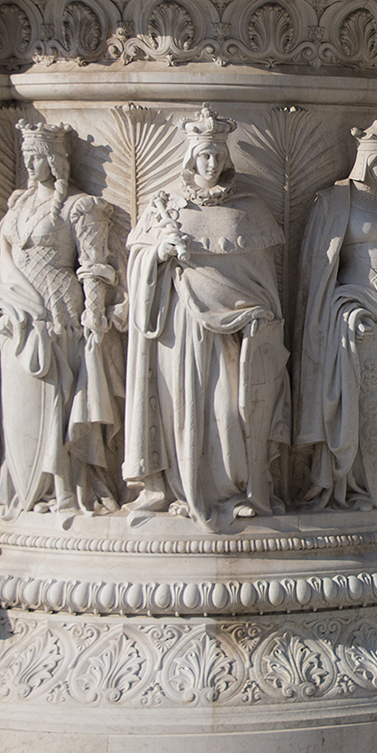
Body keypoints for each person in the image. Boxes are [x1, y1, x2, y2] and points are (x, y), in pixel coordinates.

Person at [123, 106, 290, 527]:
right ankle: (183, 489)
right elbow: (138, 267)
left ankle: (236, 490)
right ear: (191, 159)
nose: (211, 164)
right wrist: (158, 254)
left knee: (229, 413)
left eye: (217, 155)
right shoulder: (166, 209)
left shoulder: (249, 210)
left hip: (236, 335)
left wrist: (259, 316)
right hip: (182, 328)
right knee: (185, 410)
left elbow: (262, 280)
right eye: (204, 156)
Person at [0, 121, 121, 519]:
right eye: (27, 155)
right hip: (17, 315)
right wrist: (4, 300)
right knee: (19, 403)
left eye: (37, 156)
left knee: (59, 399)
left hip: (60, 313)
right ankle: (24, 484)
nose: (30, 163)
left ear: (56, 160)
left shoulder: (80, 206)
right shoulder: (18, 204)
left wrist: (94, 311)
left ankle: (62, 486)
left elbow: (94, 265)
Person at [299, 120, 377, 512]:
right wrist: (347, 310)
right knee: (356, 403)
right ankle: (352, 486)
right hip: (352, 313)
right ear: (364, 160)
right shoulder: (337, 201)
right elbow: (321, 269)